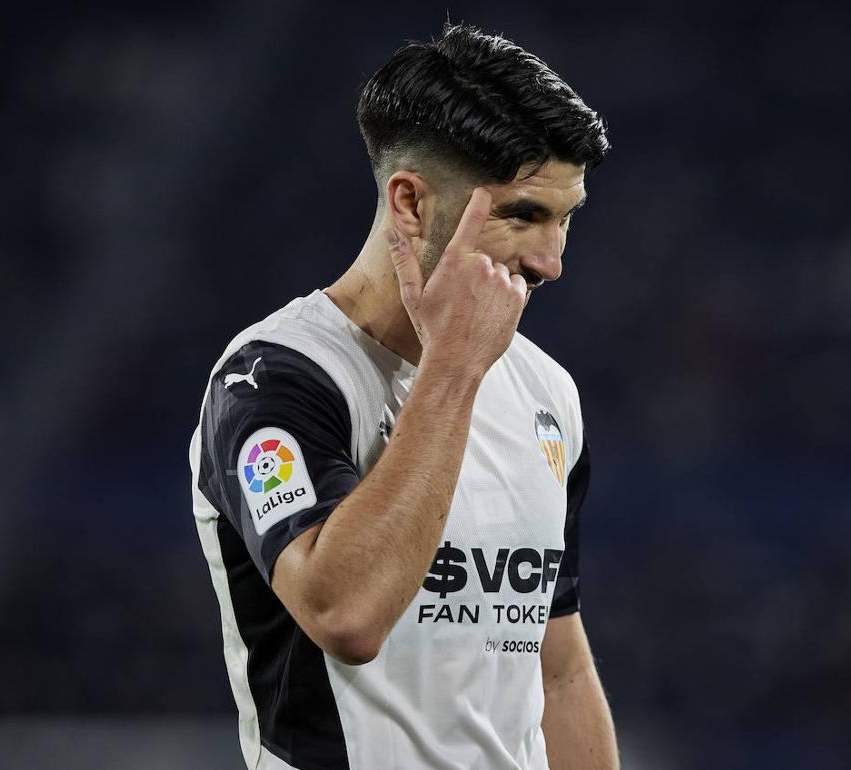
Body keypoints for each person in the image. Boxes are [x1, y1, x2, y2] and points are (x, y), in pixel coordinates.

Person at [189, 22, 617, 770]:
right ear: (411, 202)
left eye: (567, 217)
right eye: (523, 215)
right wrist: (452, 370)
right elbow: (345, 615)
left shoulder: (547, 391)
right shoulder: (272, 379)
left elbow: (558, 668)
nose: (552, 261)